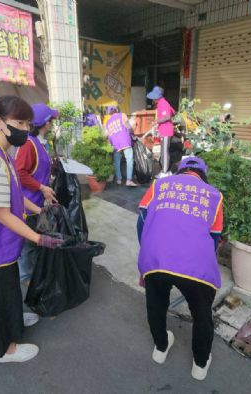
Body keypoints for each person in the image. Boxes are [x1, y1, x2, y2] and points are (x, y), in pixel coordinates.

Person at [0, 95, 64, 364]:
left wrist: (39, 210)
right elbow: (1, 214)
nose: (25, 129)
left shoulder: (1, 153)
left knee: (8, 290)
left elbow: (14, 193)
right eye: (19, 122)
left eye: (28, 123)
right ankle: (3, 350)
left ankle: (14, 319)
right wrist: (39, 238)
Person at [137, 156, 224, 381]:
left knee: (156, 305)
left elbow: (142, 221)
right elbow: (214, 238)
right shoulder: (214, 196)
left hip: (156, 258)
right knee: (202, 314)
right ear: (203, 175)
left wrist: (147, 256)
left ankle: (160, 348)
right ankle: (200, 365)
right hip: (195, 265)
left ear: (180, 171)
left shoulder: (159, 185)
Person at [14, 103, 59, 284]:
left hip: (37, 202)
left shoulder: (39, 142)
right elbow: (19, 171)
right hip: (28, 202)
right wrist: (41, 187)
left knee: (33, 242)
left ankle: (31, 274)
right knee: (28, 244)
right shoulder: (28, 144)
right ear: (46, 123)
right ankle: (26, 278)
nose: (53, 123)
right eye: (51, 120)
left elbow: (37, 166)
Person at [146, 86, 176, 178]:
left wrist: (156, 122)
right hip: (164, 130)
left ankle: (165, 172)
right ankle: (166, 170)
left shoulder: (163, 103)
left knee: (164, 152)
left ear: (157, 97)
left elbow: (167, 116)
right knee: (163, 152)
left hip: (166, 131)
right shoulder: (161, 103)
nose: (153, 100)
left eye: (154, 97)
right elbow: (173, 112)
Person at [104, 106, 137, 187]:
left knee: (116, 162)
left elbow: (107, 135)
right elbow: (128, 126)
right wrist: (133, 135)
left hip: (115, 144)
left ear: (109, 113)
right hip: (125, 141)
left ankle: (119, 179)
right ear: (116, 110)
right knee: (129, 160)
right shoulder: (122, 115)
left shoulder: (108, 122)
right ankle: (128, 180)